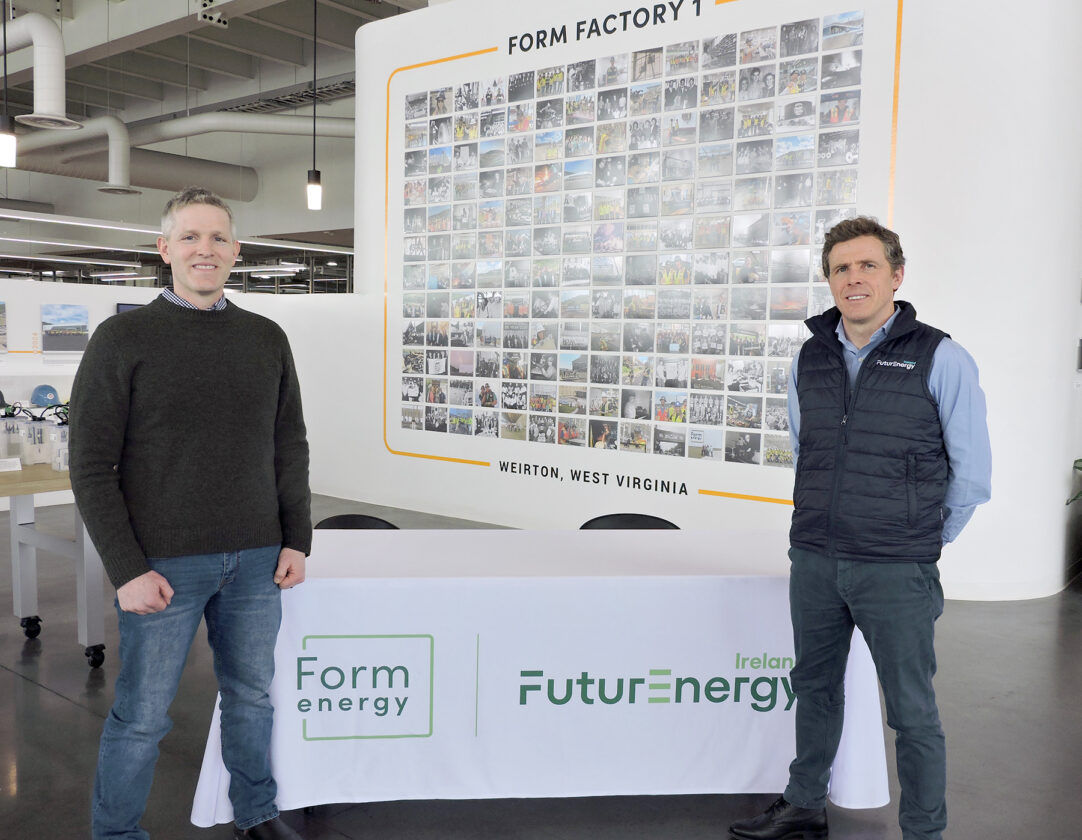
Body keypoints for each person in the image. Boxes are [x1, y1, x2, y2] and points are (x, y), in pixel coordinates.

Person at [729, 217, 991, 840]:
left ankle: (923, 830)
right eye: (841, 268)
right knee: (814, 688)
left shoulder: (941, 356)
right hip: (816, 558)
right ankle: (803, 806)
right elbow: (807, 450)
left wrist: (919, 540)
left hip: (896, 567)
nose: (854, 278)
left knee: (911, 711)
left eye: (868, 265)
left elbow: (972, 475)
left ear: (896, 276)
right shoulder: (810, 356)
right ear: (829, 280)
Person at [70, 187, 312, 840]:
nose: (205, 249)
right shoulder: (122, 339)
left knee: (252, 699)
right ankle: (116, 834)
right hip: (163, 565)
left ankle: (256, 812)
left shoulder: (266, 338)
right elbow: (90, 466)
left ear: (236, 251)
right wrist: (126, 569)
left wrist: (297, 538)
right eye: (190, 237)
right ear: (164, 249)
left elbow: (288, 445)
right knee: (143, 716)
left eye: (217, 238)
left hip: (258, 559)